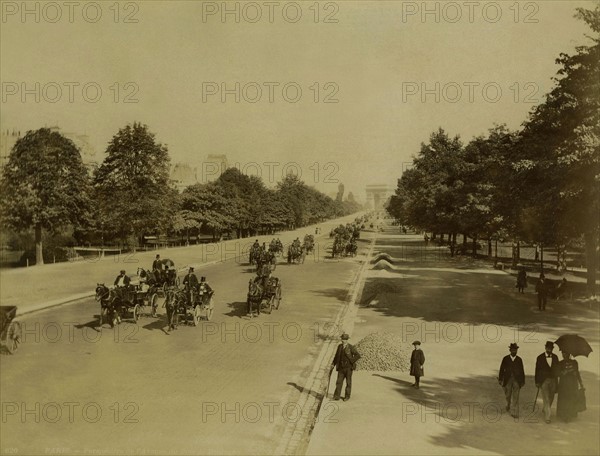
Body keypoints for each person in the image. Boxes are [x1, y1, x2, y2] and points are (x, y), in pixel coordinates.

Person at [331, 333, 361, 401]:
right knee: (338, 382)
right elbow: (336, 356)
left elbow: (358, 355)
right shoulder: (339, 346)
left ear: (347, 340)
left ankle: (347, 396)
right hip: (341, 368)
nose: (342, 340)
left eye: (344, 339)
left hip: (348, 368)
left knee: (348, 383)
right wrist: (333, 363)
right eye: (342, 339)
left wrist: (351, 361)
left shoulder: (351, 347)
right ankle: (336, 396)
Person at [556, 351, 585, 423]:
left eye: (566, 353)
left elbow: (577, 372)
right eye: (563, 353)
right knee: (564, 399)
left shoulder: (574, 362)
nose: (564, 355)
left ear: (569, 354)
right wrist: (563, 373)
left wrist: (581, 383)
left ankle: (570, 414)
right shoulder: (560, 363)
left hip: (572, 384)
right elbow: (557, 373)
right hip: (563, 384)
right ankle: (563, 415)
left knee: (571, 399)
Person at [498, 343, 525, 418]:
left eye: (515, 350)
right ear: (510, 350)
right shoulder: (505, 358)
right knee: (508, 394)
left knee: (516, 395)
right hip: (508, 379)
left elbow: (522, 370)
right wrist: (500, 379)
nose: (514, 351)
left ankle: (514, 411)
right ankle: (508, 404)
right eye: (513, 349)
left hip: (517, 380)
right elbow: (501, 369)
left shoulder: (519, 360)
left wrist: (522, 381)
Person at [535, 341, 559, 423]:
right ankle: (547, 417)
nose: (549, 349)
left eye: (551, 348)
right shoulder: (540, 357)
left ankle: (545, 408)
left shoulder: (555, 357)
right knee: (546, 398)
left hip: (553, 380)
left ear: (552, 349)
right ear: (545, 348)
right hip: (543, 380)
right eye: (548, 347)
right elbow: (537, 370)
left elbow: (557, 369)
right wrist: (537, 382)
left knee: (551, 397)